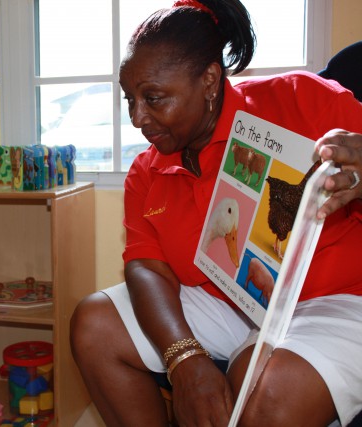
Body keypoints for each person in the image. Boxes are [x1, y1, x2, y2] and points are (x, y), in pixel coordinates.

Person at [70, 1, 362, 426]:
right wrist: (183, 357)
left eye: (153, 98)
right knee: (93, 325)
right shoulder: (147, 169)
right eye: (129, 99)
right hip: (230, 299)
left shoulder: (302, 103)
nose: (137, 118)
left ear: (209, 81)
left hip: (335, 297)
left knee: (260, 390)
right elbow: (146, 268)